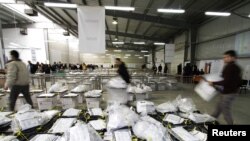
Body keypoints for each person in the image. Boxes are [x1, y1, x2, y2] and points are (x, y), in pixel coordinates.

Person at [208, 50, 241, 125]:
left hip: (228, 93)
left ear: (232, 57)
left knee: (225, 111)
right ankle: (210, 121)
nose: (224, 59)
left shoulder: (230, 67)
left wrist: (213, 82)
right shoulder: (236, 68)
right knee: (218, 108)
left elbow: (225, 81)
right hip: (231, 92)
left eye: (226, 57)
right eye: (224, 57)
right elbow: (237, 81)